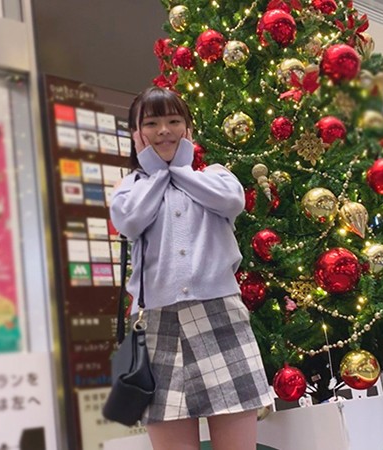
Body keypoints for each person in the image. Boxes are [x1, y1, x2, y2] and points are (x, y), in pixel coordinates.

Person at [109, 87, 274, 450]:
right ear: (136, 134)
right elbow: (131, 221)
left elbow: (231, 202)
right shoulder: (129, 188)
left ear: (188, 129)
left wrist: (178, 169)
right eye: (151, 123)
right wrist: (158, 171)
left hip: (219, 315)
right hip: (156, 325)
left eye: (173, 121)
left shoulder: (215, 176)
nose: (163, 130)